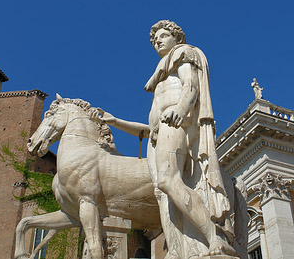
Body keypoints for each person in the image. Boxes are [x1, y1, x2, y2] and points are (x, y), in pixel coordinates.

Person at [91, 20, 236, 258]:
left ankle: (215, 238)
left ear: (177, 38)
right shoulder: (161, 75)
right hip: (159, 134)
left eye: (163, 35)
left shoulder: (183, 54)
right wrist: (116, 122)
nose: (157, 40)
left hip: (176, 122)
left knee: (168, 182)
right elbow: (148, 128)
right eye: (154, 38)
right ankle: (177, 249)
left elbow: (192, 86)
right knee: (162, 194)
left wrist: (180, 109)